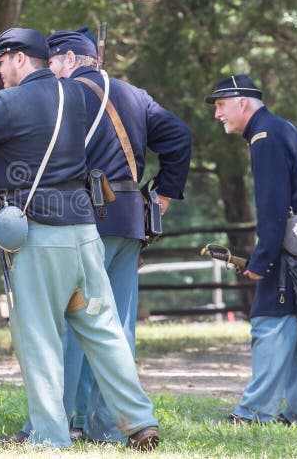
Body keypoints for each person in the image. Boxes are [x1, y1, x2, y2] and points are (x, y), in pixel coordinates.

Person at [0, 27, 160, 450]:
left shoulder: (10, 101)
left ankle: (50, 436)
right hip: (85, 230)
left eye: (1, 61)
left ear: (17, 58)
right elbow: (29, 116)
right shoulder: (73, 95)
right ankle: (139, 420)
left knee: (38, 339)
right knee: (103, 330)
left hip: (40, 235)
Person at [40, 29, 192, 442]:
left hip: (85, 218)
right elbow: (179, 137)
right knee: (117, 326)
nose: (48, 70)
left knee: (72, 319)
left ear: (68, 60)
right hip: (130, 221)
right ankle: (107, 427)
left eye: (50, 61)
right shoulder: (134, 94)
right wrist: (161, 196)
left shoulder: (65, 94)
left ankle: (57, 422)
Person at [205, 74, 297, 426]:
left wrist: (262, 259)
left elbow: (273, 206)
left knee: (269, 322)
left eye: (221, 105)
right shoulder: (280, 127)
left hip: (291, 247)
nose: (217, 115)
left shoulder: (265, 137)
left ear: (243, 103)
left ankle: (255, 413)